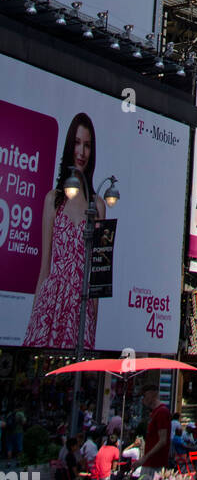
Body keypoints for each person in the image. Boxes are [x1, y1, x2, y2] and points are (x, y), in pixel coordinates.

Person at [25, 114, 105, 349]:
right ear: (70, 146)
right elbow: (44, 267)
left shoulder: (97, 205)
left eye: (87, 145)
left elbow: (98, 276)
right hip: (50, 305)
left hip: (80, 308)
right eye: (77, 143)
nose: (81, 151)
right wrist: (34, 319)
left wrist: (92, 325)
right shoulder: (53, 200)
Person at [138, 379, 171, 480]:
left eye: (144, 396)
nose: (142, 400)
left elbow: (163, 440)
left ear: (152, 394)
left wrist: (145, 457)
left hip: (155, 464)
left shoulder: (162, 412)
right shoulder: (154, 413)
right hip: (150, 463)